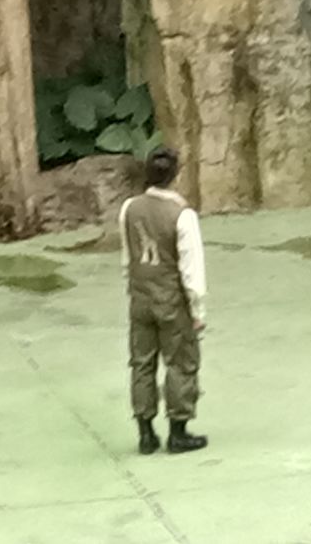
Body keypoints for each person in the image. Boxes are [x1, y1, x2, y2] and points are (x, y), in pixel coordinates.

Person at [119, 145, 208, 455]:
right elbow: (191, 269)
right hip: (171, 300)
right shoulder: (182, 215)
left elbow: (127, 257)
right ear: (175, 174)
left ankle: (145, 433)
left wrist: (133, 290)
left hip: (140, 298)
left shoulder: (129, 208)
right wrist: (197, 309)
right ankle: (178, 430)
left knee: (141, 363)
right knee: (181, 362)